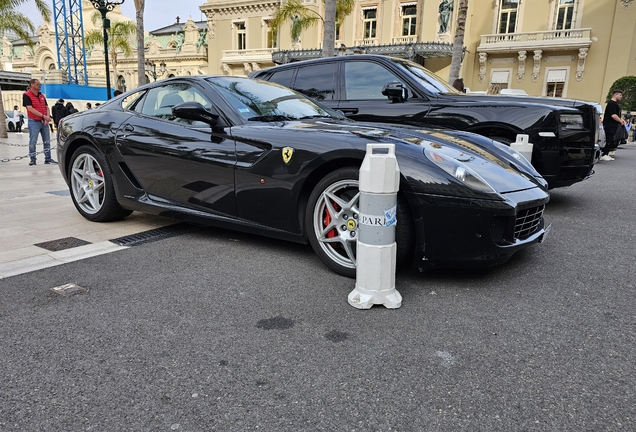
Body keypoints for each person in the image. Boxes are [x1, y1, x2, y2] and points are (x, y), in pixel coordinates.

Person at [22, 78, 56, 166]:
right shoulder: (27, 95)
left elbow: (46, 107)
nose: (40, 86)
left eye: (40, 84)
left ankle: (48, 158)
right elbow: (30, 108)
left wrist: (47, 117)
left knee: (47, 141)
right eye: (38, 84)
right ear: (32, 85)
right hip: (34, 121)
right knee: (33, 141)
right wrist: (43, 116)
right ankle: (33, 159)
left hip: (43, 121)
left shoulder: (41, 95)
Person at [600, 89, 625, 161]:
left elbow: (616, 115)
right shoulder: (611, 104)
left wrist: (621, 119)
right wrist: (620, 121)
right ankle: (604, 154)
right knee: (608, 139)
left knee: (610, 139)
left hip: (613, 125)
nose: (621, 97)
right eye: (620, 95)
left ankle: (606, 153)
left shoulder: (616, 104)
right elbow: (613, 115)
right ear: (615, 95)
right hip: (609, 125)